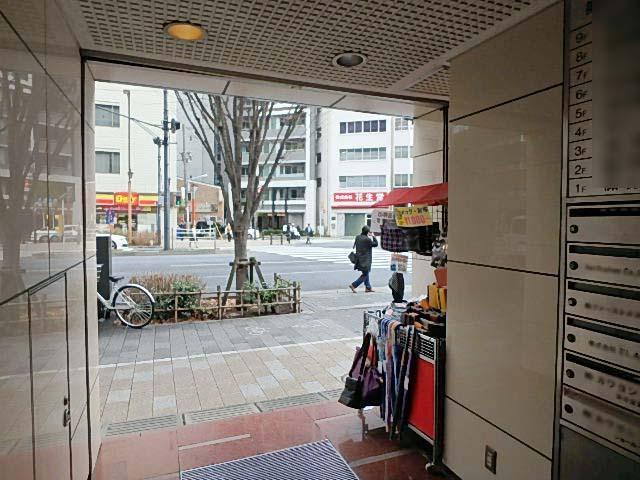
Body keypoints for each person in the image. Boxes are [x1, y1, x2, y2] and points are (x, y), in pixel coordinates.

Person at [349, 225, 378, 293]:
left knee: (366, 273)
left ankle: (368, 287)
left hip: (359, 259)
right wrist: (373, 236)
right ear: (367, 232)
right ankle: (353, 285)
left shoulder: (358, 237)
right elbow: (376, 244)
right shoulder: (367, 239)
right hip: (365, 260)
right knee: (365, 274)